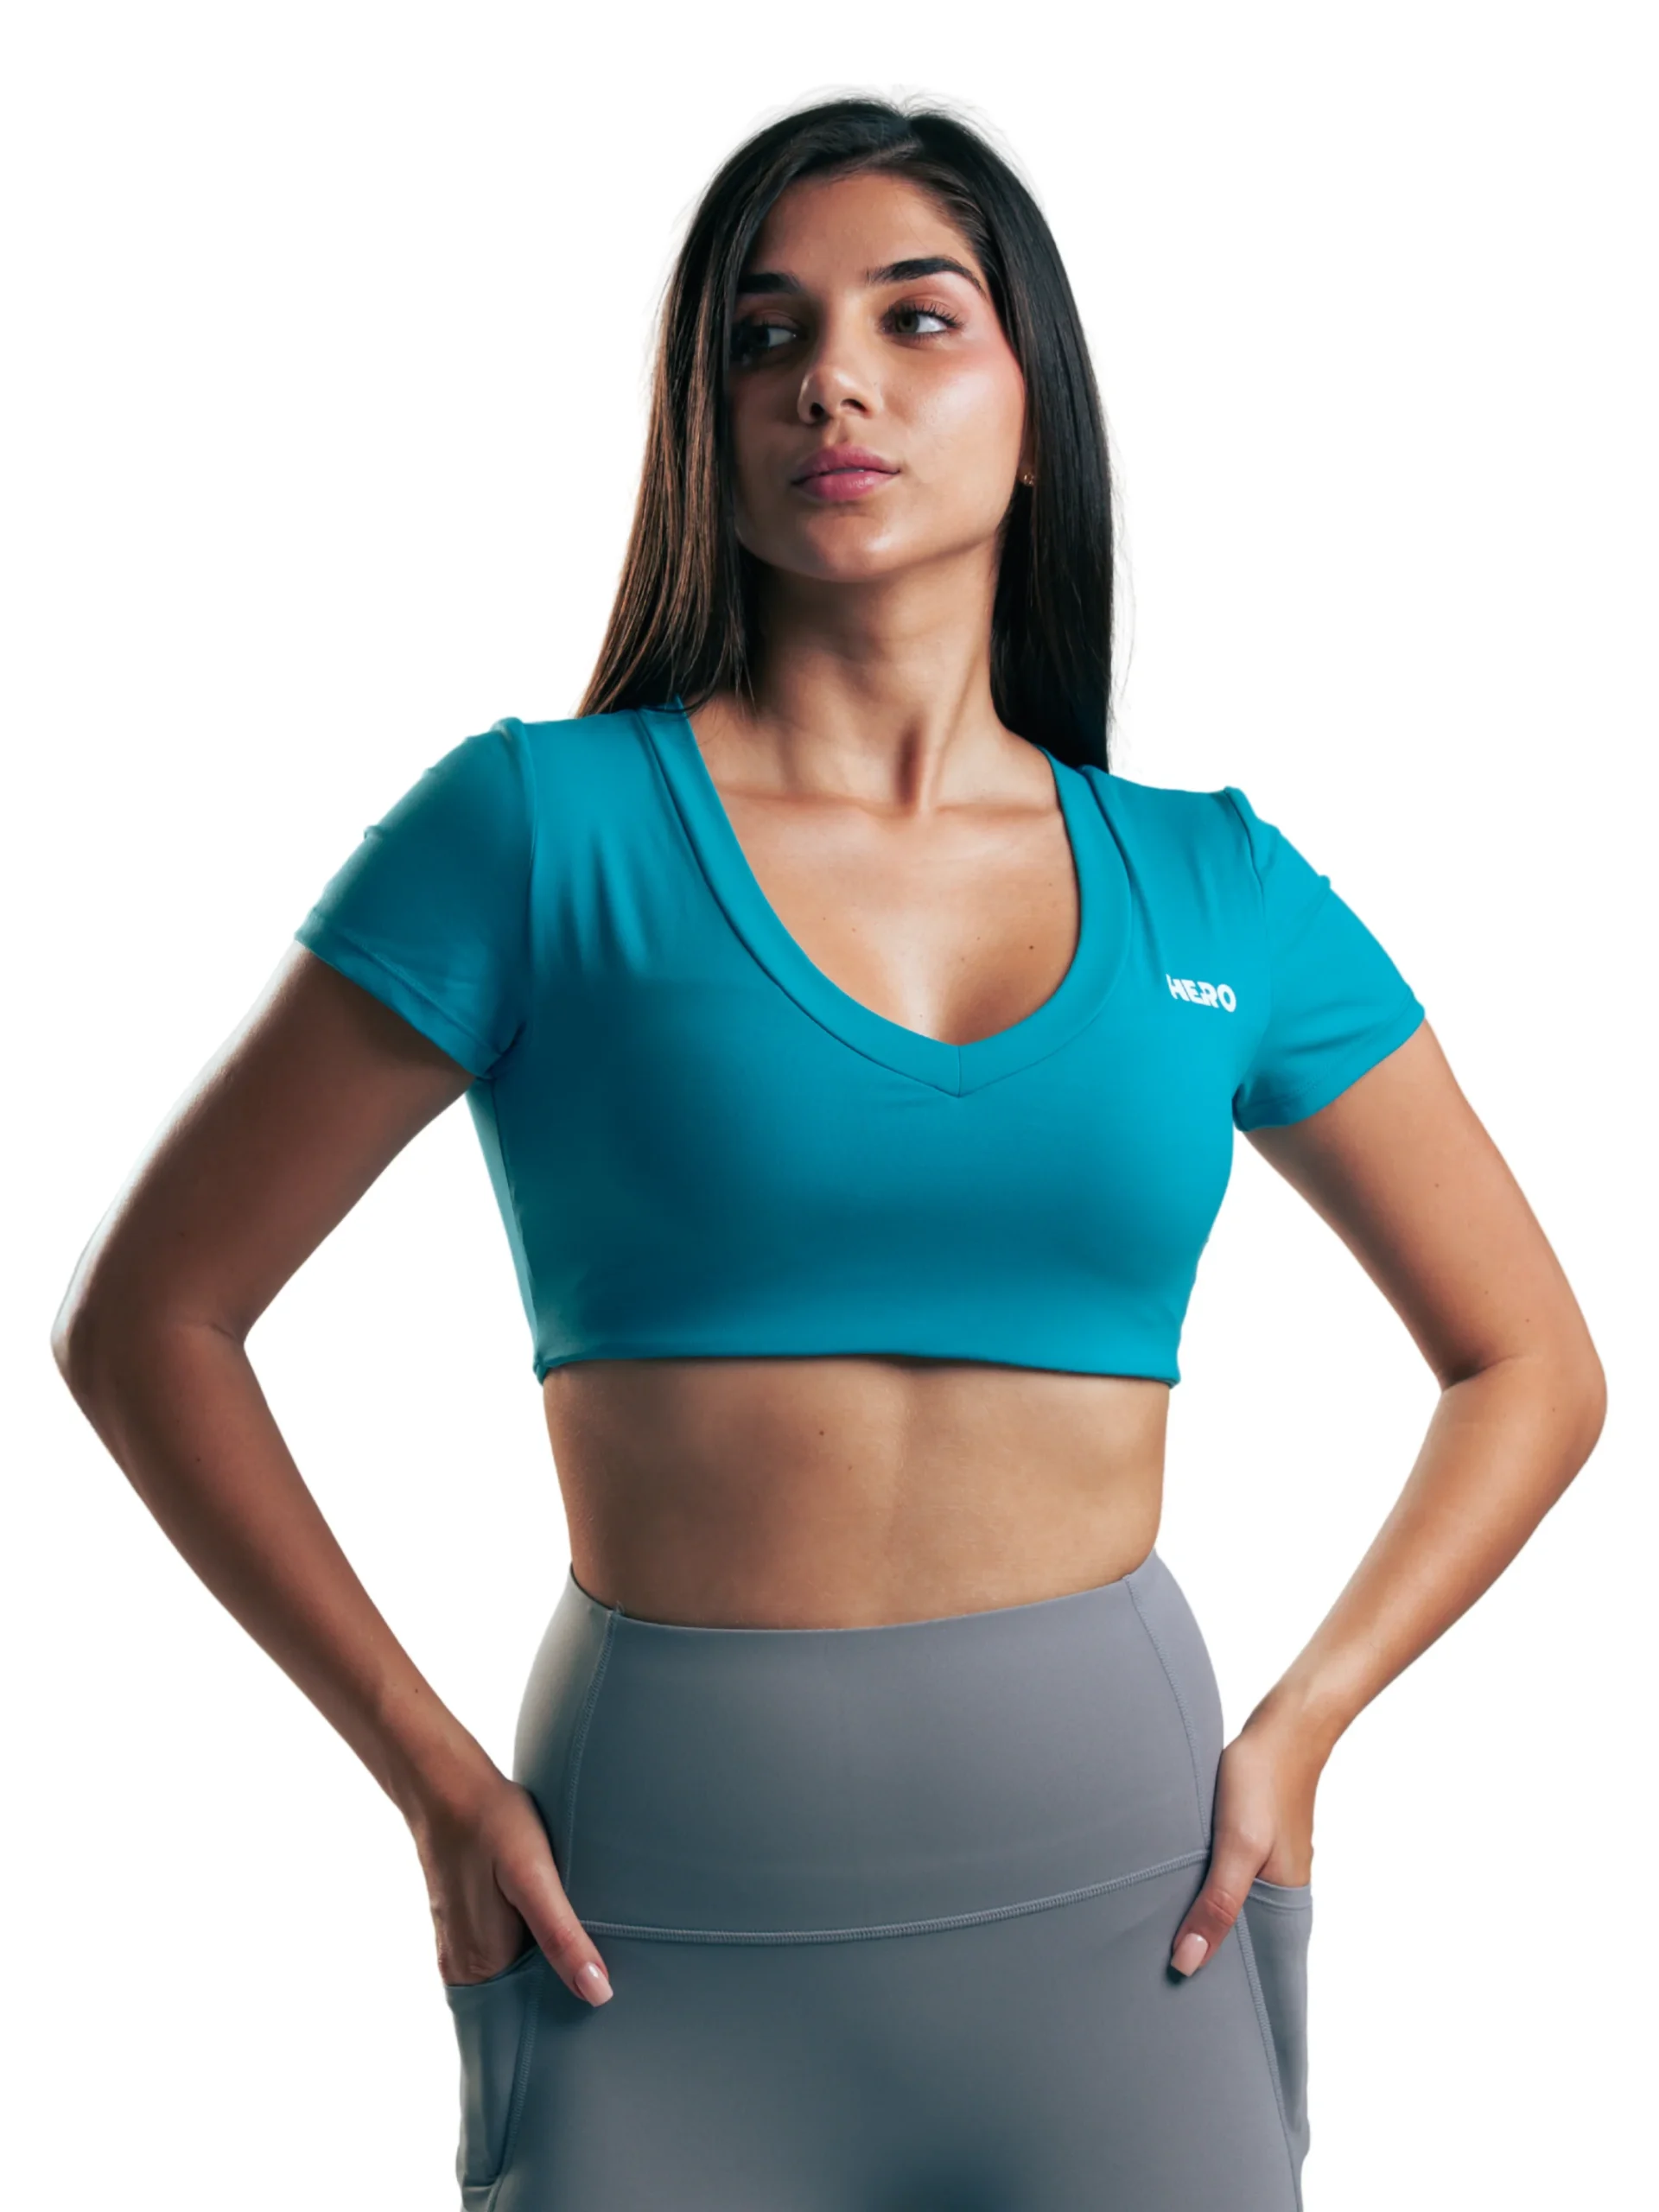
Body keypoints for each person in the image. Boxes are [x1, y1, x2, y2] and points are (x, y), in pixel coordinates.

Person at [50, 94, 1605, 2212]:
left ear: (1040, 415)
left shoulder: (1221, 888)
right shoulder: (535, 833)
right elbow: (154, 1320)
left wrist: (1309, 1717)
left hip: (1134, 1911)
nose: (831, 382)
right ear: (707, 422)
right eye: (763, 336)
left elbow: (1531, 1359)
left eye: (915, 318)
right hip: (648, 1926)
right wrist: (427, 1774)